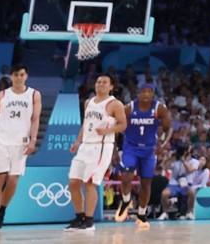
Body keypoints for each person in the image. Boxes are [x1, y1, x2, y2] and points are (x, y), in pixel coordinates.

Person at [66, 74, 127, 232]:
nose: (100, 84)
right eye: (98, 82)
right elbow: (86, 124)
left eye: (104, 82)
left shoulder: (115, 104)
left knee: (90, 183)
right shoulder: (89, 102)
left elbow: (123, 124)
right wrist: (78, 141)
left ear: (111, 86)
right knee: (73, 183)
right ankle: (79, 217)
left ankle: (89, 220)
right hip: (85, 146)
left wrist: (108, 130)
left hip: (101, 147)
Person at [0, 64, 40, 233]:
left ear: (26, 76)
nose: (19, 77)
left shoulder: (34, 95)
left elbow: (35, 120)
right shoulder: (1, 95)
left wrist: (33, 140)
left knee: (12, 181)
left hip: (21, 142)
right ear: (11, 76)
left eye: (22, 74)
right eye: (16, 74)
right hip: (1, 140)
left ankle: (2, 209)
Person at [113, 83, 170, 228]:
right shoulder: (129, 107)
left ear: (153, 94)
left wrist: (162, 144)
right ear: (138, 93)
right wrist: (113, 149)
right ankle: (126, 201)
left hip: (149, 150)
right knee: (126, 176)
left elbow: (169, 128)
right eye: (143, 91)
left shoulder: (159, 108)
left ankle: (142, 214)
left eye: (149, 91)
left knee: (146, 183)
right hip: (130, 148)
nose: (146, 94)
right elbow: (115, 127)